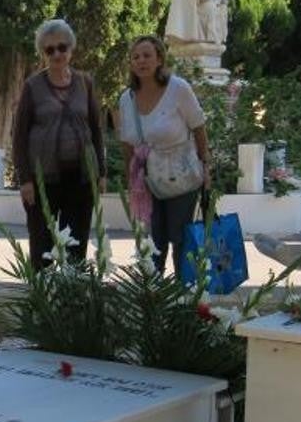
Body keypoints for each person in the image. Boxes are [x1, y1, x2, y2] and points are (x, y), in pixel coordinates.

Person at [12, 18, 107, 268]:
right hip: (43, 179)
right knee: (42, 246)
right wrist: (25, 180)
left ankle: (73, 301)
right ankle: (43, 302)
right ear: (42, 53)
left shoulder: (85, 82)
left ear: (71, 48)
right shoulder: (33, 86)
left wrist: (102, 173)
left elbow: (96, 129)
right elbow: (19, 136)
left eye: (62, 47)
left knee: (76, 244)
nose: (56, 54)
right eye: (49, 49)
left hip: (81, 177)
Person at [117, 35, 212, 274]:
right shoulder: (126, 100)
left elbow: (198, 127)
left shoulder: (178, 88)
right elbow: (127, 143)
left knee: (181, 239)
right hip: (147, 180)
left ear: (159, 59)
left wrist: (207, 167)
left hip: (182, 176)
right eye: (136, 57)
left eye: (147, 55)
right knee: (153, 242)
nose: (141, 61)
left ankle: (184, 299)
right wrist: (132, 180)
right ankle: (154, 299)